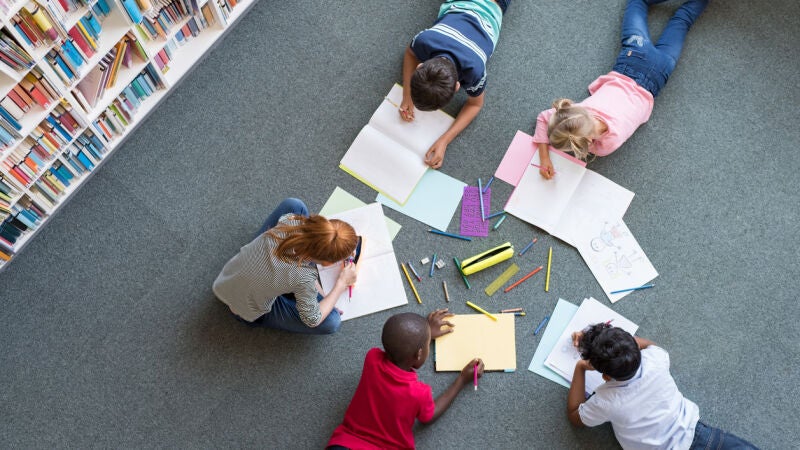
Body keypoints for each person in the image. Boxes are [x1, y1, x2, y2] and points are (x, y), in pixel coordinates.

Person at [533, 0, 709, 179]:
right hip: (633, 58)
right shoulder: (579, 111)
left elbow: (575, 138)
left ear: (586, 143)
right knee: (638, 2)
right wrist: (544, 154)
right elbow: (544, 117)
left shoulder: (605, 145)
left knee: (683, 20)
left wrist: (547, 157)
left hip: (660, 71)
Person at [567, 323, 758, 450]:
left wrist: (580, 367)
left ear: (606, 376)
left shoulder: (605, 401)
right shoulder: (656, 359)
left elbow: (576, 416)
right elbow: (648, 345)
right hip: (702, 436)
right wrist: (617, 343)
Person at [327, 310, 484, 449]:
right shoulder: (419, 393)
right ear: (419, 354)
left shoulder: (372, 358)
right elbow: (428, 417)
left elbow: (395, 346)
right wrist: (462, 380)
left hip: (344, 443)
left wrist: (423, 336)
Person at [212, 198, 358, 335]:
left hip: (225, 281)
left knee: (294, 205)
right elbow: (313, 320)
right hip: (245, 310)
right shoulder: (304, 276)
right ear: (327, 263)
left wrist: (324, 297)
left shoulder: (290, 221)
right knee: (332, 321)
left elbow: (300, 270)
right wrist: (341, 284)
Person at [400, 0, 510, 169]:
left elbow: (475, 105)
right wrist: (407, 94)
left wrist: (445, 140)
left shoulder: (475, 70)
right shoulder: (426, 39)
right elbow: (410, 52)